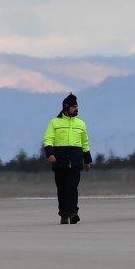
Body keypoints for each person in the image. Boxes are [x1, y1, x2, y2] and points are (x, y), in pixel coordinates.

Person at [42, 93, 92, 224]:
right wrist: (50, 154)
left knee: (72, 187)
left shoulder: (81, 124)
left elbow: (85, 143)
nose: (77, 109)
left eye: (77, 106)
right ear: (66, 107)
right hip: (60, 161)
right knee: (62, 188)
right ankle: (63, 213)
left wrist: (87, 160)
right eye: (74, 106)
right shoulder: (54, 122)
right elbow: (48, 139)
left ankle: (73, 213)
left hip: (75, 161)